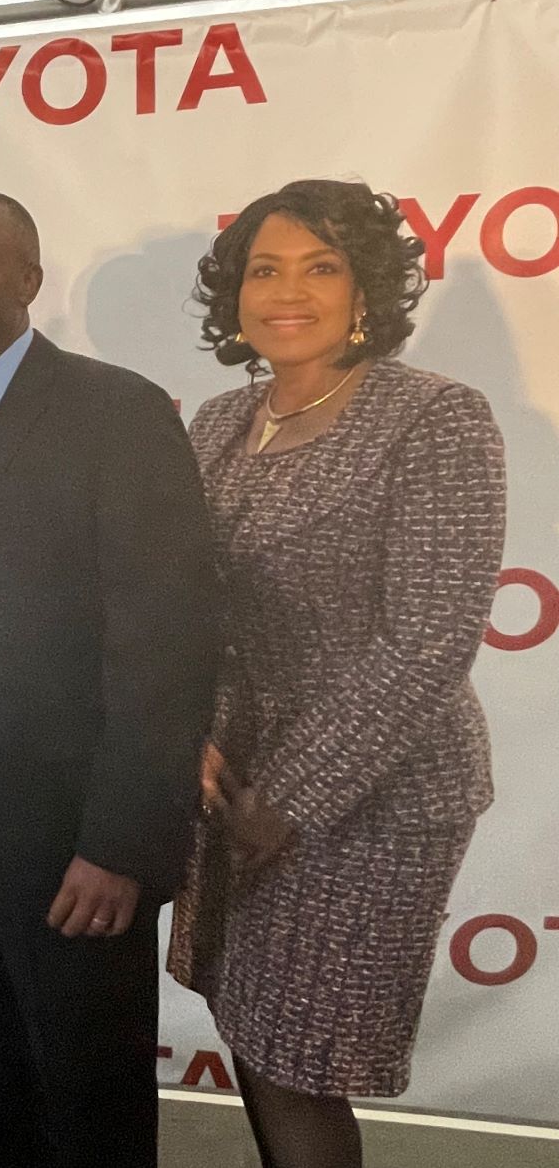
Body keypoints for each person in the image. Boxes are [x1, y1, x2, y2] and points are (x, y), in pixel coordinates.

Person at [166, 179, 507, 1168]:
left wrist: (294, 797)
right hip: (237, 780)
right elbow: (209, 611)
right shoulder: (218, 423)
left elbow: (431, 637)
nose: (289, 291)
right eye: (264, 268)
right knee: (252, 1036)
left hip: (377, 797)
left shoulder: (432, 417)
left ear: (366, 291)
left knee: (301, 1056)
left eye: (321, 267)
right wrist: (212, 740)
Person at [0, 190, 220, 1167]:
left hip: (72, 858)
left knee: (90, 1119)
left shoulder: (112, 411)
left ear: (28, 280)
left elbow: (166, 638)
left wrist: (122, 844)